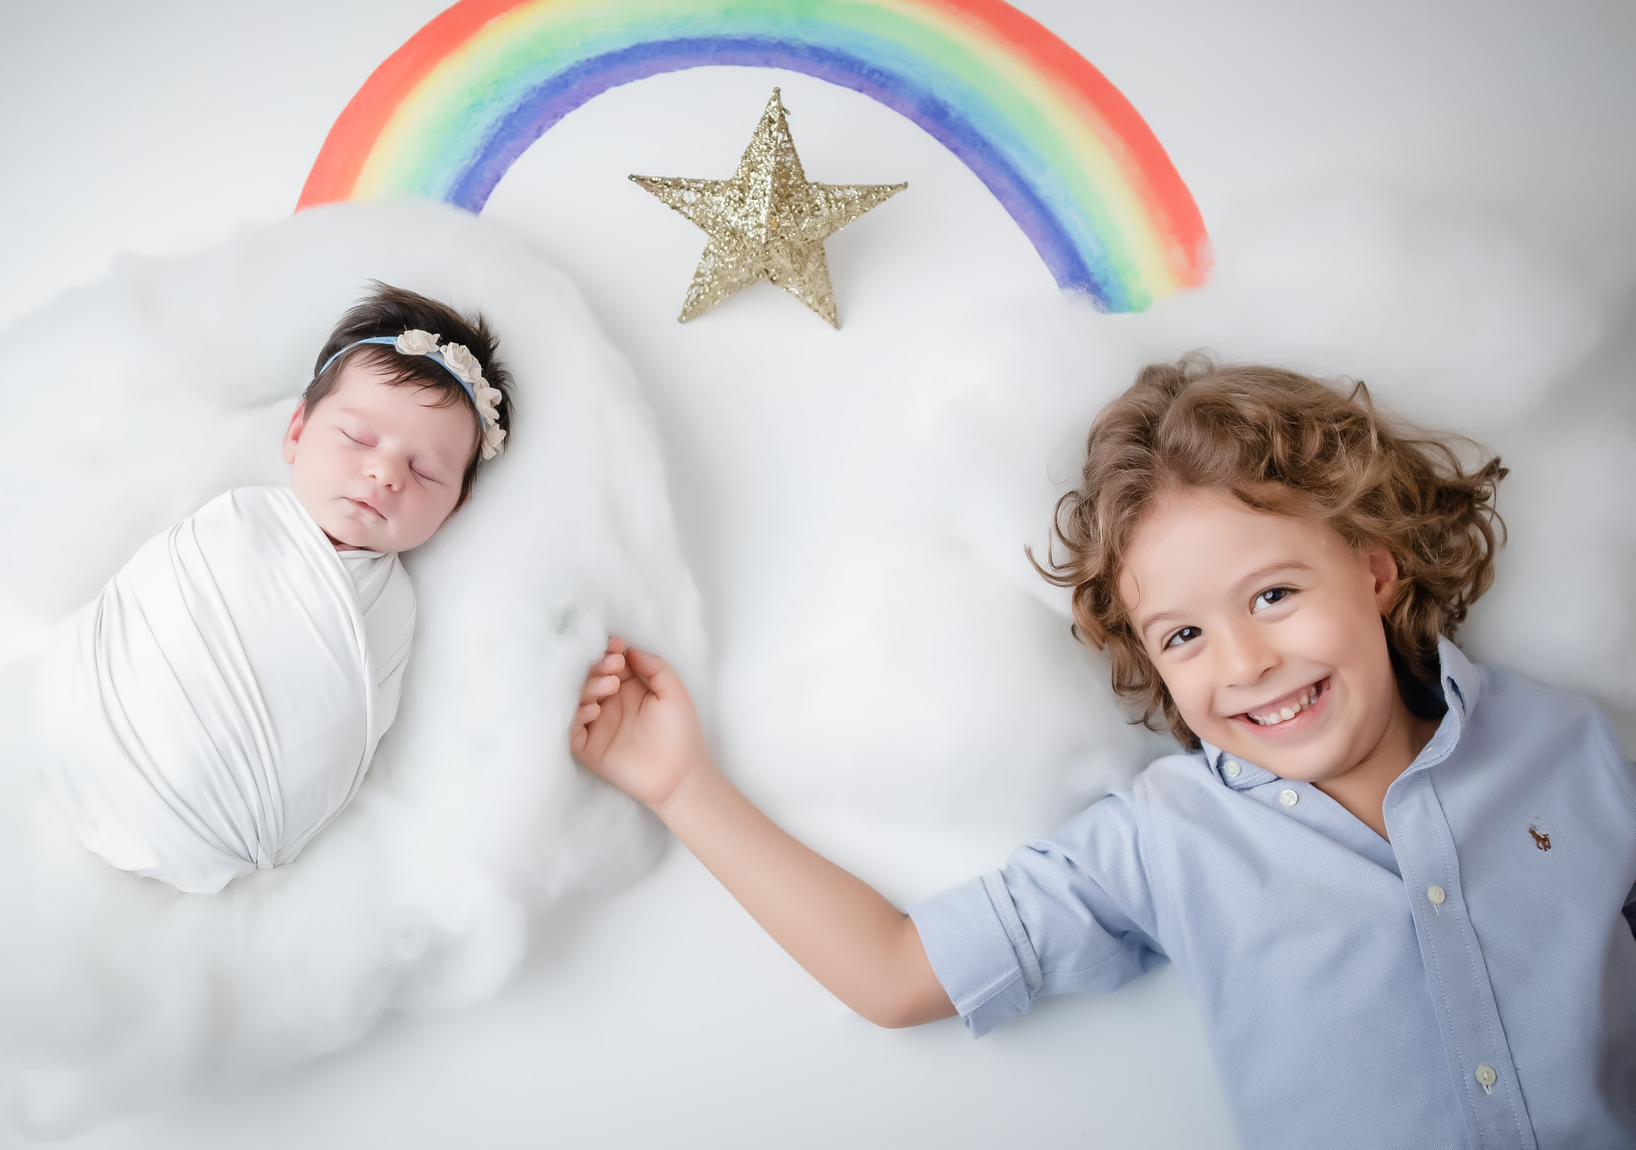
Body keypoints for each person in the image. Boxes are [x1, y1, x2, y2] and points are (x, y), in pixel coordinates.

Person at [571, 356, 1636, 1149]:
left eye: (1274, 594)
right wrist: (681, 784)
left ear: (1375, 568)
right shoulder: (1167, 835)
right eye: (1185, 634)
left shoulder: (1568, 744)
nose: (1247, 661)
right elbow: (895, 971)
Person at [34, 284, 513, 894]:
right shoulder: (237, 519)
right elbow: (160, 595)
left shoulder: (394, 610)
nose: (385, 472)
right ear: (296, 432)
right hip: (88, 701)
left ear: (454, 508)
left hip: (220, 822)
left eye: (424, 471)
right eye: (359, 438)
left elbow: (349, 732)